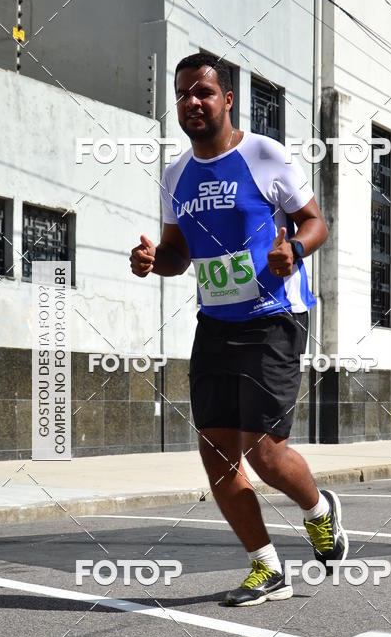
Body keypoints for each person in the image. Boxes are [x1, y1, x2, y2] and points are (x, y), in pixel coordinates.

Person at [130, 52, 348, 607]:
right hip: (215, 324)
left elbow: (315, 220)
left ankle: (319, 511)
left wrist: (293, 251)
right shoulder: (176, 175)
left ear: (227, 99)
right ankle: (266, 568)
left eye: (202, 92)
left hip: (273, 319)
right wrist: (157, 259)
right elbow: (179, 252)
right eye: (182, 95)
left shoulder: (263, 154)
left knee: (265, 453)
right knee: (217, 452)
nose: (191, 103)